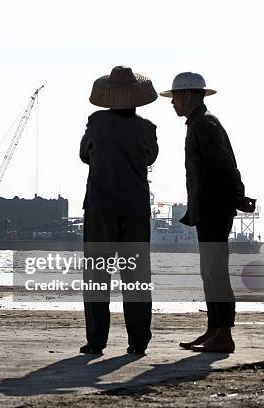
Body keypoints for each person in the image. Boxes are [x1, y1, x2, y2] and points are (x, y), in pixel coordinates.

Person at [160, 72, 252, 353]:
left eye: (174, 97)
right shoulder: (200, 123)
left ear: (188, 95)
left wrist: (238, 197)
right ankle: (215, 330)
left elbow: (224, 165)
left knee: (215, 271)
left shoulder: (204, 124)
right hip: (209, 208)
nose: (172, 103)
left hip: (214, 208)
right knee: (209, 271)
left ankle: (223, 334)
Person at [79, 66, 158, 355]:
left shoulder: (97, 123)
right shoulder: (147, 128)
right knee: (136, 278)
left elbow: (84, 155)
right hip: (136, 208)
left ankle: (96, 341)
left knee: (97, 276)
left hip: (101, 206)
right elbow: (151, 157)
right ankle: (138, 342)